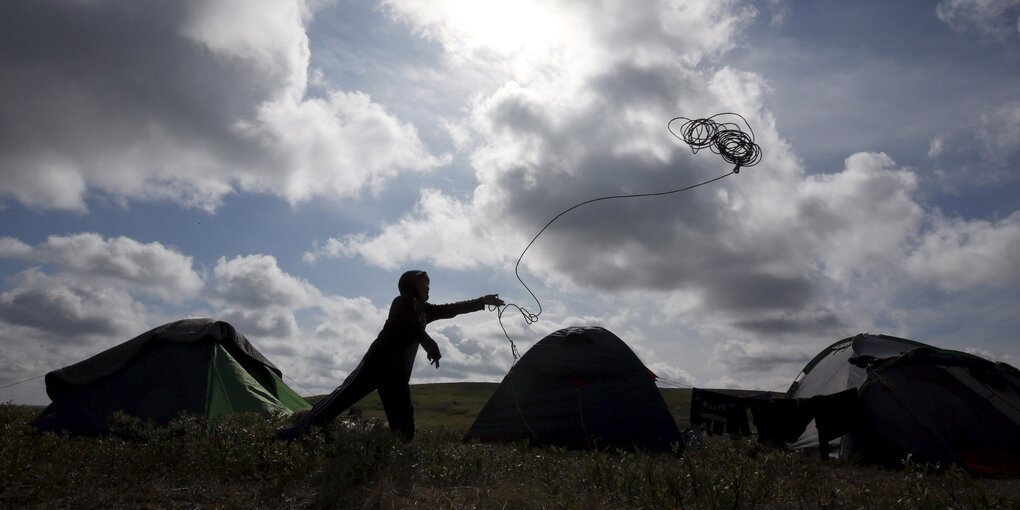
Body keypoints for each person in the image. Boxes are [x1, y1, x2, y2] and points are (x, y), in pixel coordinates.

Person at [276, 270, 504, 441]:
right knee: (335, 404)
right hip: (375, 365)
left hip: (397, 375)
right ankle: (291, 434)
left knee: (404, 432)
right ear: (412, 285)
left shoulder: (426, 310)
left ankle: (368, 447)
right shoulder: (402, 302)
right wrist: (429, 342)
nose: (428, 289)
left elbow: (451, 309)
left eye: (429, 285)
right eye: (425, 284)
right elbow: (408, 325)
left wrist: (482, 301)